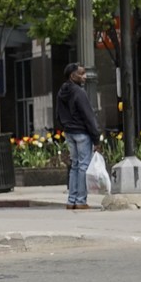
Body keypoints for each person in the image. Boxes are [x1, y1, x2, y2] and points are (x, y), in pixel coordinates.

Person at [54, 62, 100, 211]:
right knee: (83, 166)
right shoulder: (79, 93)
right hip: (82, 132)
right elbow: (89, 116)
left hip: (69, 132)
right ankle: (80, 201)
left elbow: (58, 115)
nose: (85, 76)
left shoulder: (62, 92)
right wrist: (96, 138)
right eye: (82, 73)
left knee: (74, 165)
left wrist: (65, 127)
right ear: (73, 76)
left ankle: (71, 200)